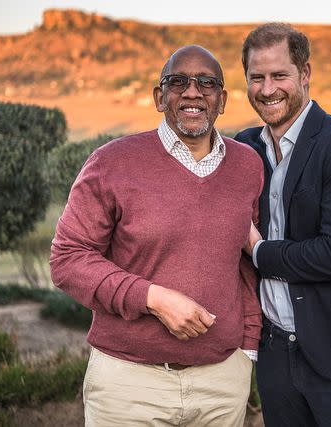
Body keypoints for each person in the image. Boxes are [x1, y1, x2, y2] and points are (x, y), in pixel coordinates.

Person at [50, 45, 263, 426]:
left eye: (207, 83)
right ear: (158, 97)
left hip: (222, 384)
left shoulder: (247, 165)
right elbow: (68, 259)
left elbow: (246, 264)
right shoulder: (112, 162)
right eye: (177, 81)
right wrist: (152, 298)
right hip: (130, 385)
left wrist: (246, 350)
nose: (193, 92)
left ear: (223, 100)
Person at [235, 23, 331, 426]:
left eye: (279, 75)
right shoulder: (244, 148)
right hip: (273, 355)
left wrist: (260, 250)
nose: (268, 89)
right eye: (257, 77)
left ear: (305, 74)